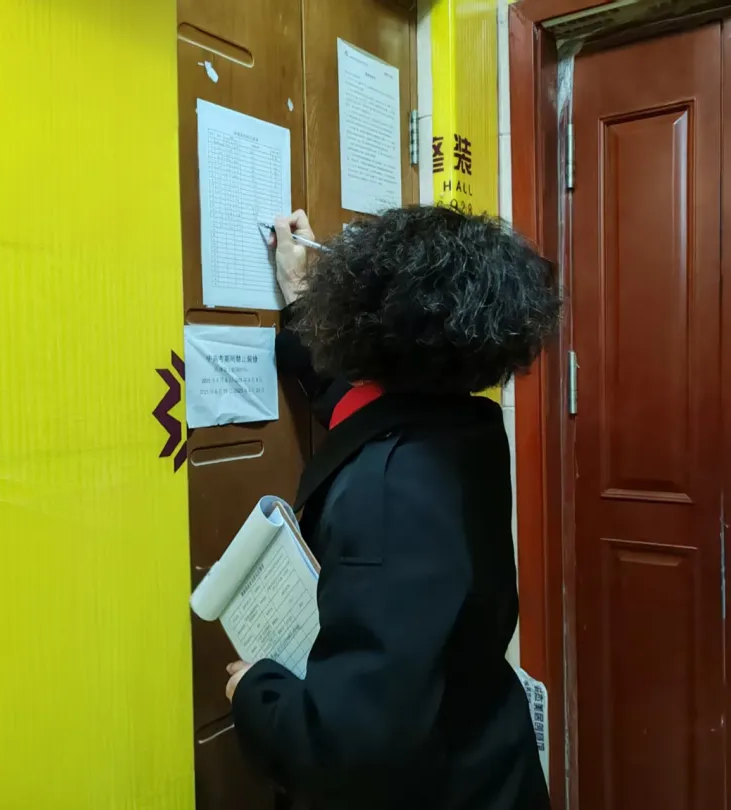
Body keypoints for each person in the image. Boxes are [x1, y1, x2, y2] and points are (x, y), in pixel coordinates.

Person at [225, 206, 560, 810]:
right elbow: (352, 404)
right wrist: (299, 295)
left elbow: (349, 753)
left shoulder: (389, 489)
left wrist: (256, 692)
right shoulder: (465, 424)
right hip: (488, 767)